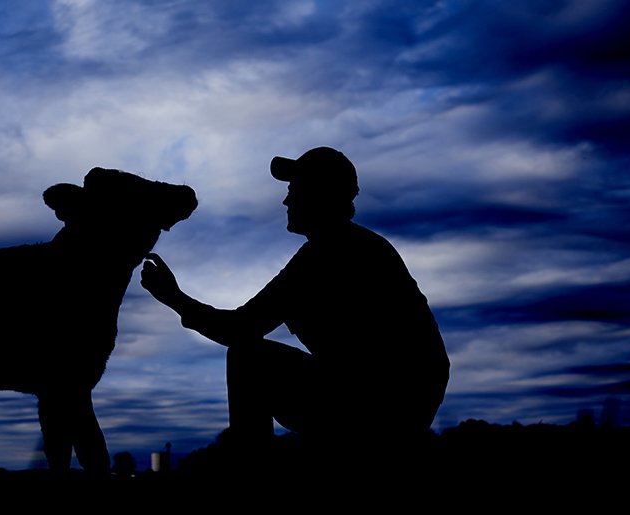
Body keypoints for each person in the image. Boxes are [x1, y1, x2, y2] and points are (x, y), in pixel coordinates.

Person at [140, 146, 449, 463]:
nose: (286, 201)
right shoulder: (346, 247)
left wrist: (173, 297)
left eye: (295, 190)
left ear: (320, 194)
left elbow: (238, 329)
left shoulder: (331, 253)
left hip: (382, 405)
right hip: (384, 399)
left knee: (249, 358)